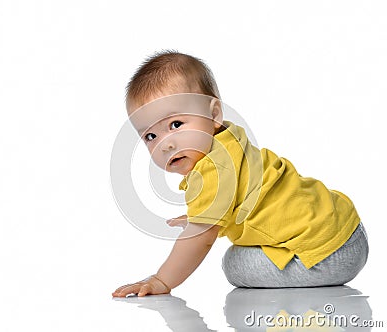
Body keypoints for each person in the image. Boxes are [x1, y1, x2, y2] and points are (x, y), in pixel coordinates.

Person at [112, 50, 368, 297]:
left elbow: (199, 240)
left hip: (328, 255)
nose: (165, 144)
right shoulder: (227, 138)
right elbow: (238, 193)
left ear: (213, 114)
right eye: (150, 136)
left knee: (234, 264)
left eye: (176, 124)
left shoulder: (212, 171)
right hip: (343, 224)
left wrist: (161, 279)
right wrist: (200, 214)